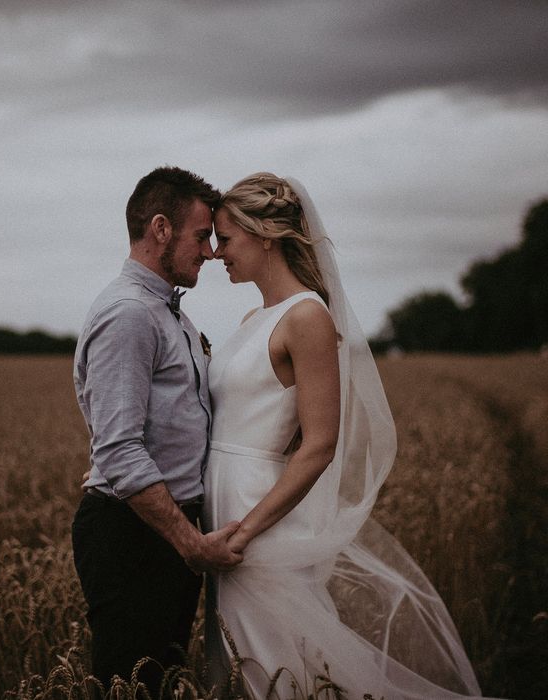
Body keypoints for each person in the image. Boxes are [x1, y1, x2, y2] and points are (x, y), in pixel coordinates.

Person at [202, 173, 487, 699]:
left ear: (265, 234)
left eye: (226, 238)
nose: (217, 253)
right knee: (240, 664)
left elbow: (319, 444)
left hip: (255, 512)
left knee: (277, 664)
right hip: (220, 502)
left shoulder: (307, 316)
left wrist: (244, 532)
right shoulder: (252, 317)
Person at [71, 166, 244, 696]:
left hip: (162, 527)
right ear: (161, 229)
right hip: (133, 534)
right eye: (202, 236)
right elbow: (120, 451)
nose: (211, 252)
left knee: (162, 681)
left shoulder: (170, 315)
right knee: (133, 686)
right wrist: (190, 544)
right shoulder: (129, 315)